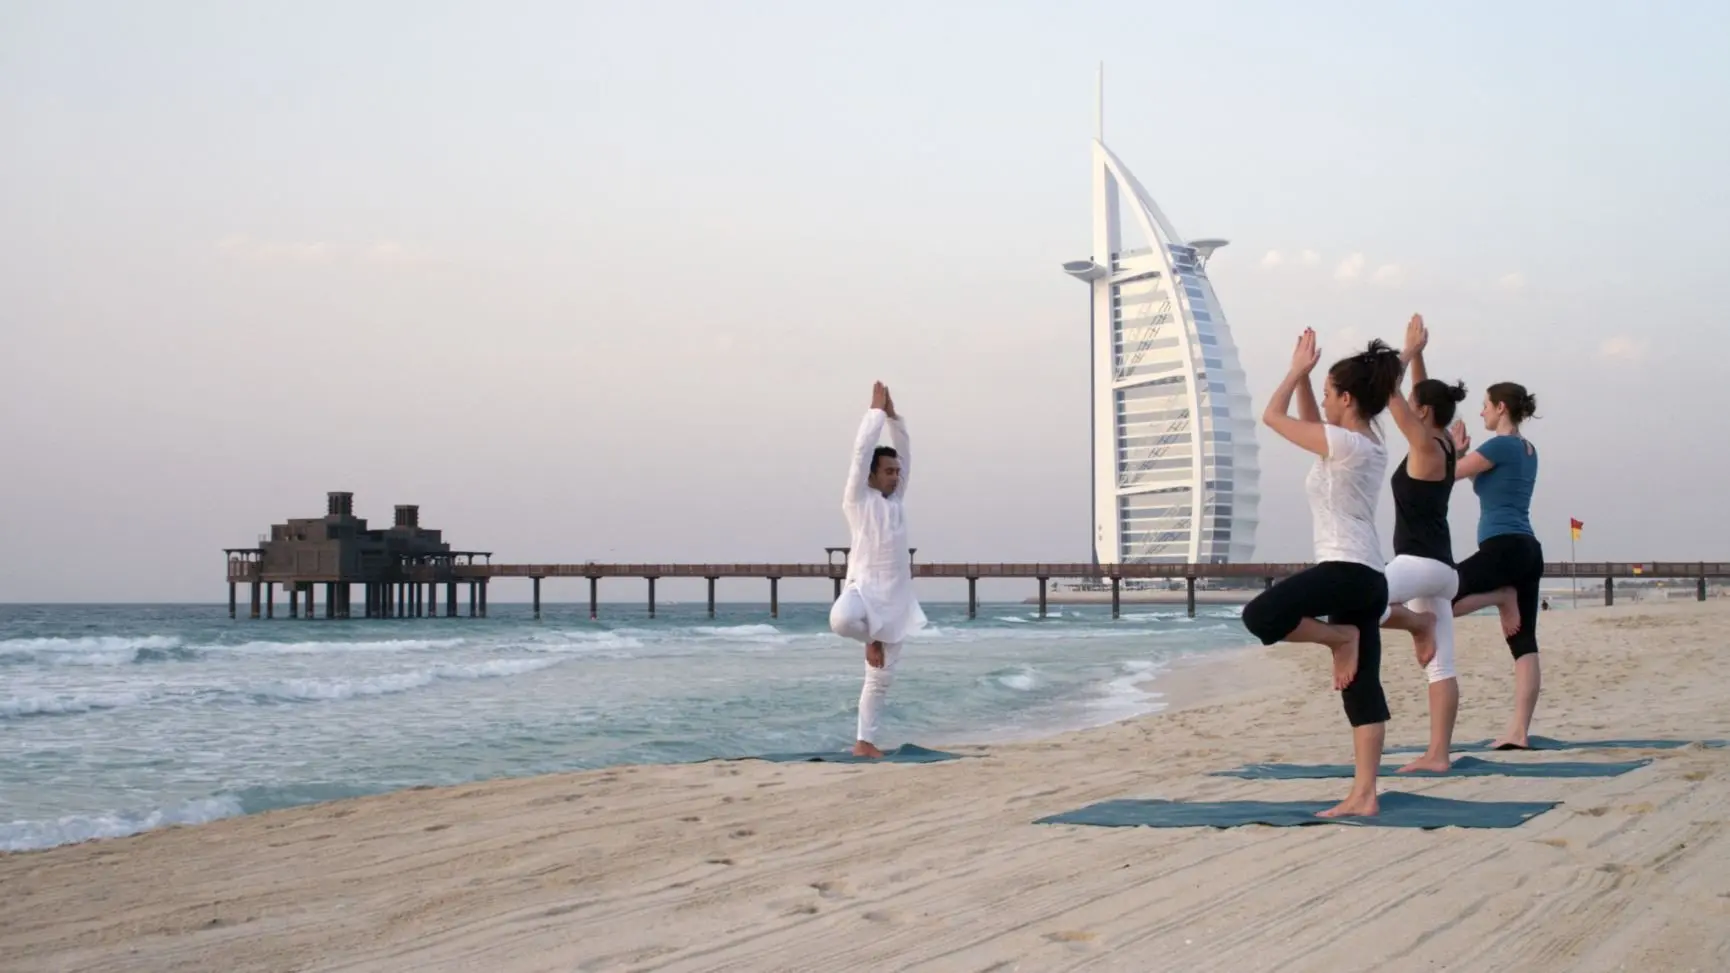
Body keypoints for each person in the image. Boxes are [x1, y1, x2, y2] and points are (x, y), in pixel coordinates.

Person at [1241, 330, 1404, 817]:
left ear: (1348, 398)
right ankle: (1365, 795)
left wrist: (1293, 372)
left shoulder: (1348, 445)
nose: (1326, 402)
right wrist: (1312, 381)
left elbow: (1273, 417)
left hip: (1346, 567)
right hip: (1369, 576)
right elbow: (1316, 426)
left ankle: (1337, 639)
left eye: (1332, 393)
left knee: (1261, 615)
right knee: (1362, 690)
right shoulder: (1365, 443)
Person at [1376, 314, 1469, 773]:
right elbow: (1419, 392)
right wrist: (1421, 360)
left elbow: (1392, 395)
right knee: (1442, 667)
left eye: (1418, 405)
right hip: (1442, 569)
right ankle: (1439, 755)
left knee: (1354, 602)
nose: (1411, 408)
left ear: (1424, 412)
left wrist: (1406, 350)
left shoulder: (1425, 442)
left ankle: (1416, 625)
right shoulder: (1446, 443)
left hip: (1417, 563)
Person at [828, 381, 928, 757]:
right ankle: (870, 636)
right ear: (872, 476)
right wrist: (874, 414)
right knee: (840, 620)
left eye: (896, 472)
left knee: (879, 680)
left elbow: (907, 452)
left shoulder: (896, 501)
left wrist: (894, 417)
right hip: (863, 593)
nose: (895, 476)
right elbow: (859, 455)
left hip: (896, 602)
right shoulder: (857, 500)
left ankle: (864, 742)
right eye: (888, 471)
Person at [1448, 382, 1543, 750]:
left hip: (1502, 547)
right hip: (1528, 550)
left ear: (1501, 407)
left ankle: (1499, 598)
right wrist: (1465, 454)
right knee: (1524, 644)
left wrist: (1454, 454)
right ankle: (1519, 732)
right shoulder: (1527, 449)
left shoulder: (1500, 445)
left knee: (1441, 599)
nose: (1482, 412)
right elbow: (1481, 476)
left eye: (1485, 406)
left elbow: (1449, 475)